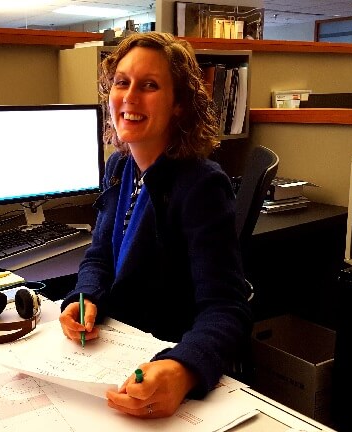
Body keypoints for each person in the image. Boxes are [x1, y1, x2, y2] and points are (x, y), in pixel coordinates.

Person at [58, 32, 252, 419]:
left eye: (149, 86)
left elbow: (226, 308)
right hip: (114, 351)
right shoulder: (120, 167)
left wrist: (183, 369)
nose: (129, 96)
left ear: (178, 104)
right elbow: (100, 253)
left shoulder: (201, 185)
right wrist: (85, 298)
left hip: (163, 357)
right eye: (121, 82)